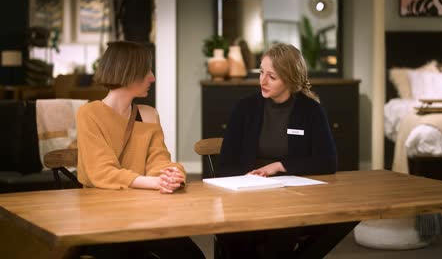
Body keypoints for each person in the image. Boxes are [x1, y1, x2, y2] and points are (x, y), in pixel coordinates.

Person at [216, 43, 356, 259]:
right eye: (261, 72)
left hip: (292, 196)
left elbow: (328, 161)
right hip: (247, 193)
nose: (262, 81)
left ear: (290, 78)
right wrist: (249, 179)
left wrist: (280, 166)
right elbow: (225, 165)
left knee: (286, 228)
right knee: (237, 235)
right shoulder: (245, 108)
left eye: (272, 76)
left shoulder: (310, 111)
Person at [76, 41, 205, 259]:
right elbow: (101, 172)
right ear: (128, 72)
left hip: (145, 212)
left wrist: (171, 174)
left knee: (192, 256)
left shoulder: (148, 114)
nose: (152, 77)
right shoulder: (89, 114)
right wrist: (153, 182)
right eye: (147, 70)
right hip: (102, 217)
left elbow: (159, 160)